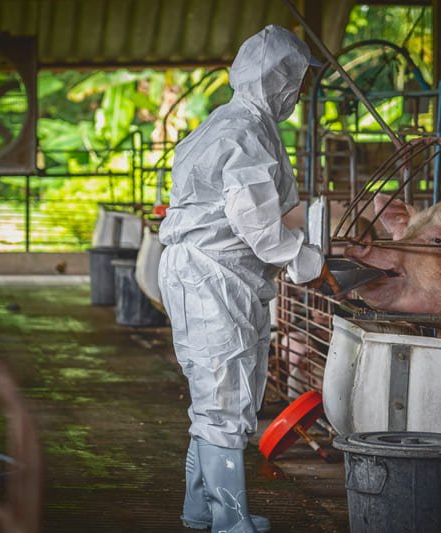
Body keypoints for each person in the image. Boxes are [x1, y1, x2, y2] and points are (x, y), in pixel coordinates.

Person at [158, 24, 336, 533]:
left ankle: (201, 508)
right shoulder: (244, 131)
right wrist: (311, 264)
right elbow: (258, 225)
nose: (299, 93)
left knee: (221, 397)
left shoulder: (233, 123)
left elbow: (266, 212)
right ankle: (231, 521)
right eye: (297, 82)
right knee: (224, 398)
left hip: (218, 274)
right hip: (212, 274)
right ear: (277, 78)